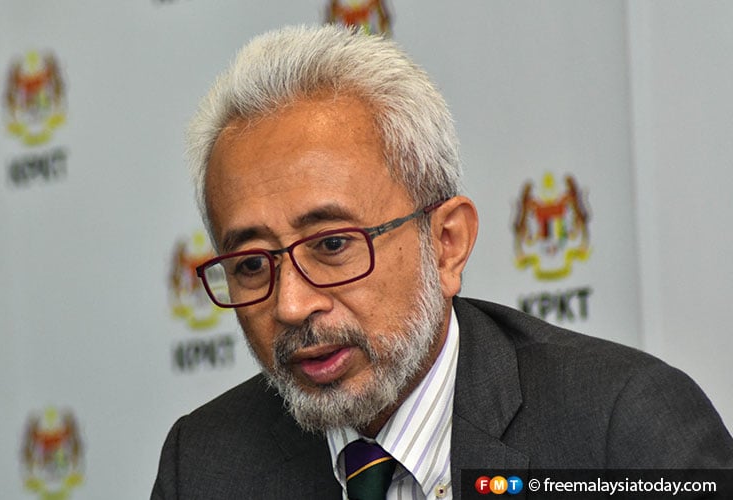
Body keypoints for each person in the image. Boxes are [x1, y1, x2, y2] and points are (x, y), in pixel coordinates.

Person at [152, 24, 733, 500]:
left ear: (447, 243)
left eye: (332, 245)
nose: (292, 305)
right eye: (252, 264)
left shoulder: (622, 428)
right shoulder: (204, 465)